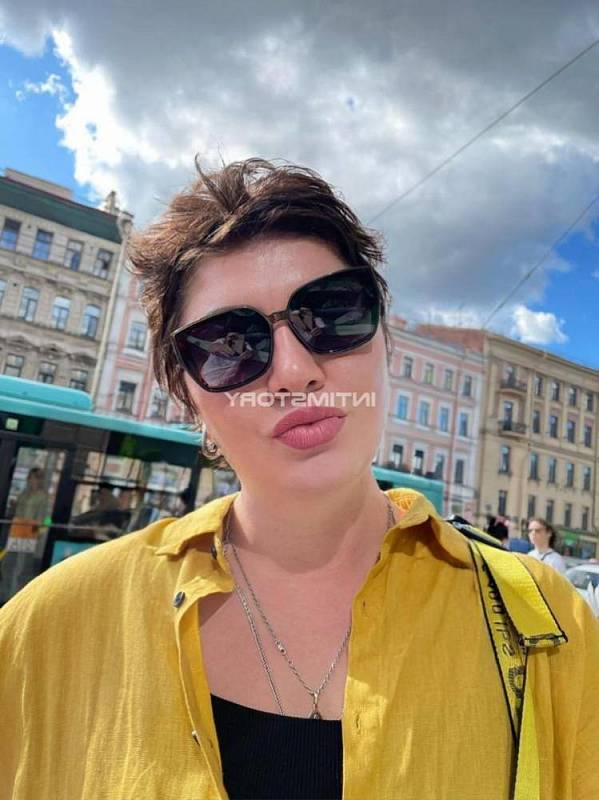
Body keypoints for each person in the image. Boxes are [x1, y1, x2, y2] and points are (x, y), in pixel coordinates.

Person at [1, 159, 598, 800]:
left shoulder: (547, 622)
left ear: (384, 340)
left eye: (333, 314)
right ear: (188, 397)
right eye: (228, 345)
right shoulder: (44, 631)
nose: (293, 371)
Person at [0, 467, 48, 602]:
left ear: (40, 480)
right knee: (8, 563)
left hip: (29, 533)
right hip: (16, 531)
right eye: (30, 478)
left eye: (35, 478)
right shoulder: (23, 494)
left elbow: (44, 518)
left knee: (22, 565)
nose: (32, 481)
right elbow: (17, 512)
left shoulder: (42, 497)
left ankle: (16, 596)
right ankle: (5, 593)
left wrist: (38, 534)